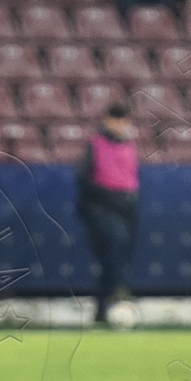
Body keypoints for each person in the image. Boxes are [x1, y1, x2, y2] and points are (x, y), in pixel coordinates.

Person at [76, 102, 140, 322]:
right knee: (112, 252)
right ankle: (112, 301)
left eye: (124, 121)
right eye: (117, 120)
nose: (121, 125)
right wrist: (105, 199)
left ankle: (107, 306)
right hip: (103, 208)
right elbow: (83, 179)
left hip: (126, 208)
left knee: (120, 257)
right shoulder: (96, 145)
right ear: (108, 121)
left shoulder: (130, 145)